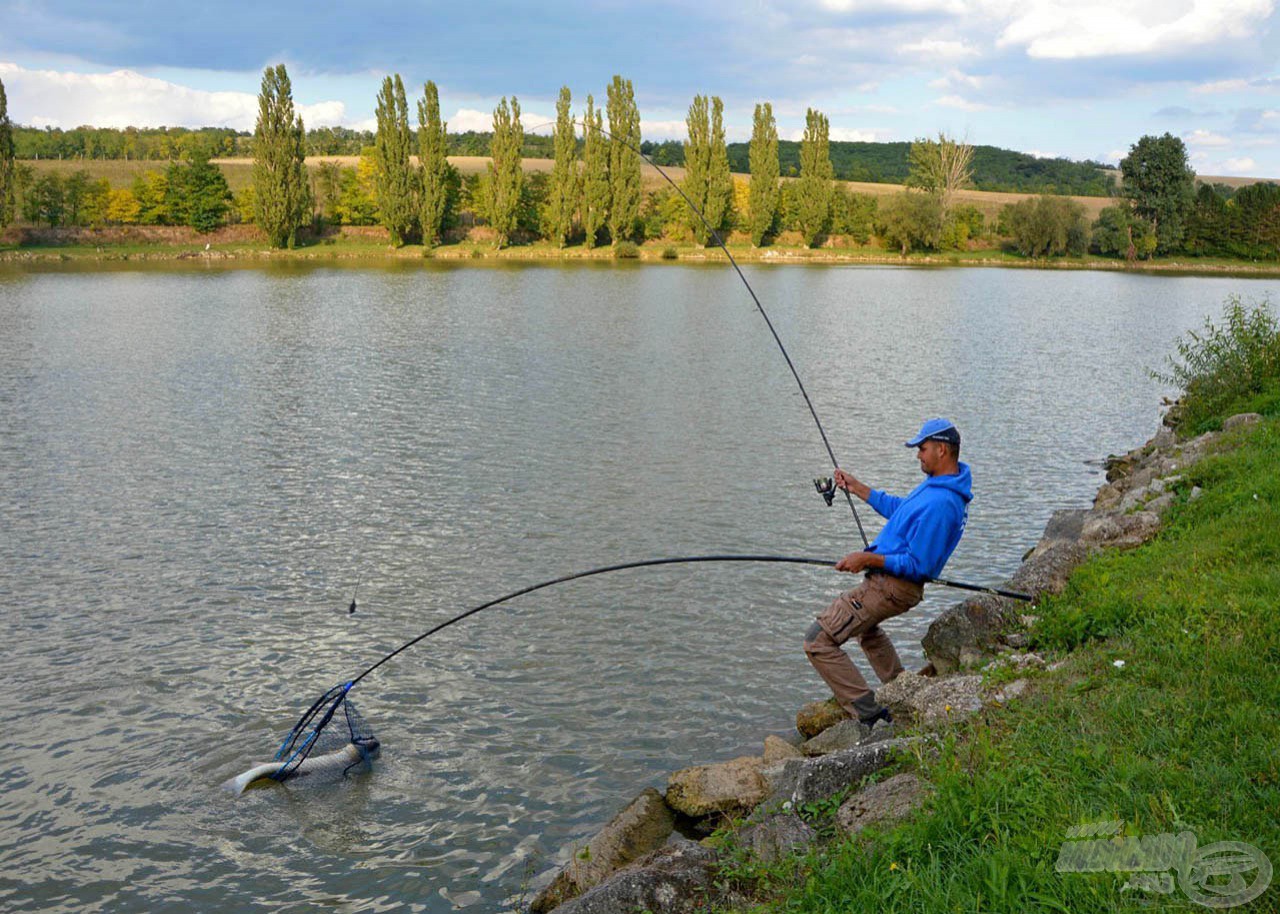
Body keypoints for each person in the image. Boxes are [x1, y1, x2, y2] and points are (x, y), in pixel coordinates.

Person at [803, 418, 972, 726]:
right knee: (866, 630)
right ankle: (900, 690)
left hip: (892, 587)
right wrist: (856, 488)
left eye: (922, 448)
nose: (918, 455)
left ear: (942, 449)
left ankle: (869, 714)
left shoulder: (944, 503)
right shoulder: (939, 486)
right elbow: (901, 511)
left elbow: (918, 565)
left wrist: (867, 560)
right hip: (888, 582)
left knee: (818, 640)